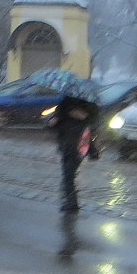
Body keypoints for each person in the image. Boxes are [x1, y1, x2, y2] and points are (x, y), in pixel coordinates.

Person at [47, 94, 99, 256]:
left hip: (78, 146)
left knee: (68, 175)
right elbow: (55, 123)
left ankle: (70, 203)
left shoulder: (88, 105)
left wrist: (91, 149)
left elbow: (92, 126)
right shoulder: (65, 102)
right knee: (68, 175)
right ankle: (70, 202)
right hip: (67, 145)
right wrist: (55, 120)